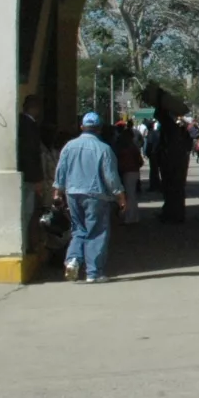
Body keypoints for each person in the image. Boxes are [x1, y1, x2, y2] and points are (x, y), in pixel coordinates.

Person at [53, 112, 125, 283]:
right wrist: (120, 197)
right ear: (99, 129)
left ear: (81, 127)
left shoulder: (69, 147)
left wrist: (58, 191)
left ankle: (73, 260)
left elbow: (60, 171)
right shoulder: (104, 149)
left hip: (73, 193)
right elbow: (111, 177)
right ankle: (94, 273)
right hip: (96, 195)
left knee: (78, 230)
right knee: (97, 232)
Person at [17, 94, 46, 251]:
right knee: (27, 212)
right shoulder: (29, 126)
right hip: (29, 177)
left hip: (27, 175)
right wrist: (38, 179)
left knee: (28, 212)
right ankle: (25, 245)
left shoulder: (22, 123)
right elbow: (31, 154)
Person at [155, 108, 191, 224]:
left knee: (173, 189)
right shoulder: (172, 128)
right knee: (175, 189)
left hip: (173, 163)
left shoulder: (170, 129)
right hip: (176, 162)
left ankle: (173, 214)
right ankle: (174, 213)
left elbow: (165, 146)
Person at [114, 125, 144, 225]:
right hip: (133, 171)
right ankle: (133, 216)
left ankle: (130, 217)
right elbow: (140, 161)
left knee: (129, 195)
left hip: (126, 172)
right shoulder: (133, 147)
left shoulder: (122, 148)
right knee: (132, 195)